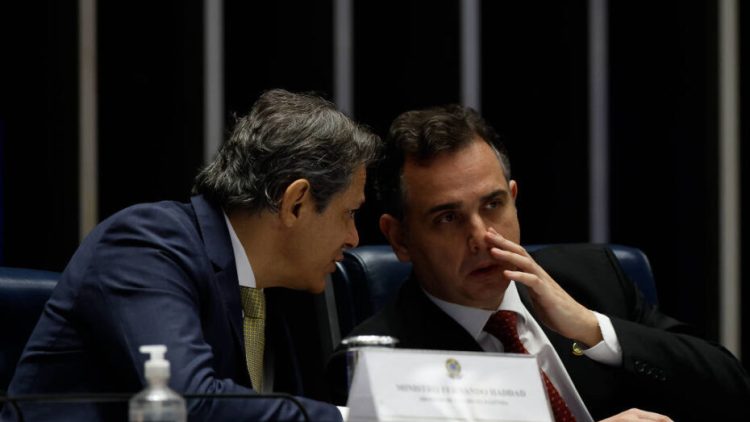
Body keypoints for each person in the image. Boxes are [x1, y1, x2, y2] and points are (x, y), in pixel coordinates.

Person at [334, 104, 750, 421]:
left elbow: (730, 389)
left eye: (493, 205)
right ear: (399, 238)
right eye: (448, 218)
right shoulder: (379, 361)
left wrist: (592, 328)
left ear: (514, 199)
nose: (482, 237)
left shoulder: (593, 279)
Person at [3, 89, 379, 421]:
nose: (354, 237)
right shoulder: (146, 244)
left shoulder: (279, 287)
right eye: (348, 213)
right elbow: (187, 403)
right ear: (295, 203)